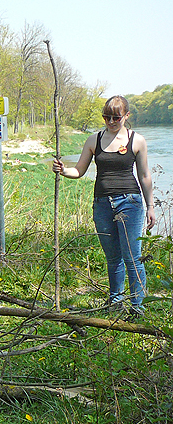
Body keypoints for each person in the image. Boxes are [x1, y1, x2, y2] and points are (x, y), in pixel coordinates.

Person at [53, 95, 155, 320]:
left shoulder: (136, 140)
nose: (111, 121)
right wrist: (63, 170)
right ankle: (116, 302)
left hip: (130, 202)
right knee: (113, 257)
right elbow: (78, 170)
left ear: (126, 116)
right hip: (102, 204)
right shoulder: (94, 140)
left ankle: (137, 307)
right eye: (106, 117)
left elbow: (145, 175)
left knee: (132, 257)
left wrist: (150, 206)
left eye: (116, 117)